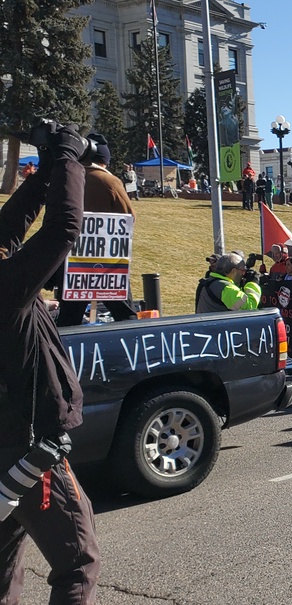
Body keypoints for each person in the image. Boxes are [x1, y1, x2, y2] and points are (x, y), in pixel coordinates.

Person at [0, 123, 101, 603]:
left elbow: (9, 227)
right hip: (26, 451)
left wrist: (47, 168)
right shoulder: (5, 288)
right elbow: (62, 228)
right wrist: (68, 156)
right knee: (78, 563)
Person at [56, 136, 139, 326]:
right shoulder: (109, 181)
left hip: (72, 260)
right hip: (106, 260)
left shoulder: (68, 178)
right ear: (105, 160)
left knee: (69, 317)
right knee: (125, 315)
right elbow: (128, 217)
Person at [196, 253, 263, 313]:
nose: (244, 274)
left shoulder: (211, 281)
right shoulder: (226, 288)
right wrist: (253, 283)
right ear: (233, 271)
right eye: (243, 270)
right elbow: (250, 307)